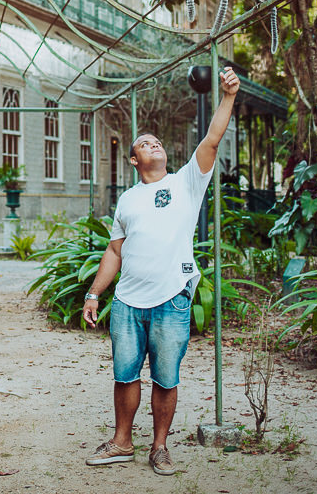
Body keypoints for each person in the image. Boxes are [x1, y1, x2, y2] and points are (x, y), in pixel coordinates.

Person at [82, 66, 241, 476]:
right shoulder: (128, 201)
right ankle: (121, 442)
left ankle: (160, 447)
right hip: (128, 303)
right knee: (125, 375)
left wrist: (227, 97)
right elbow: (115, 251)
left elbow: (212, 138)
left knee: (166, 380)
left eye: (156, 141)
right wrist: (94, 293)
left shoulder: (188, 181)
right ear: (135, 159)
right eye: (144, 144)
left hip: (172, 299)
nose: (154, 143)